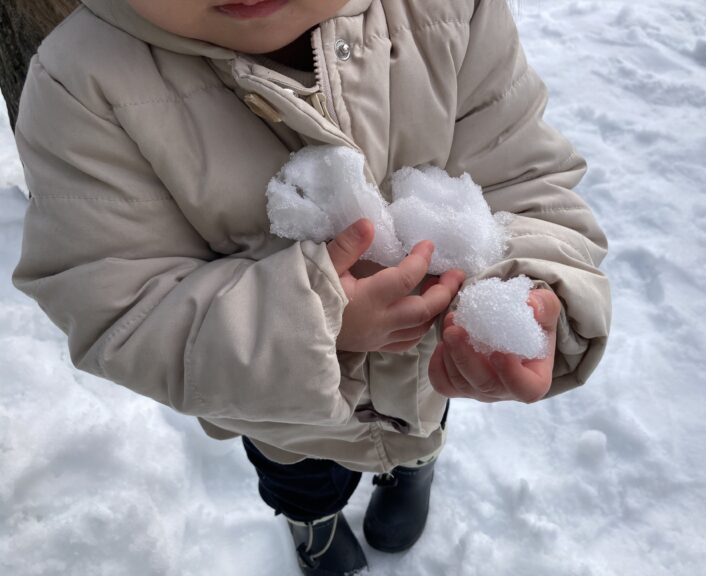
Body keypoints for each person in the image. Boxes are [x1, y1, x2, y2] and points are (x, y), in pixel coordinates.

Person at [11, 0, 612, 573]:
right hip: (283, 421)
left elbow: (524, 178)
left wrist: (528, 289)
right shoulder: (81, 85)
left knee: (424, 430)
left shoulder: (452, 12)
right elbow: (119, 307)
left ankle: (413, 469)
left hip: (424, 379)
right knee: (299, 479)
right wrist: (314, 319)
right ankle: (314, 520)